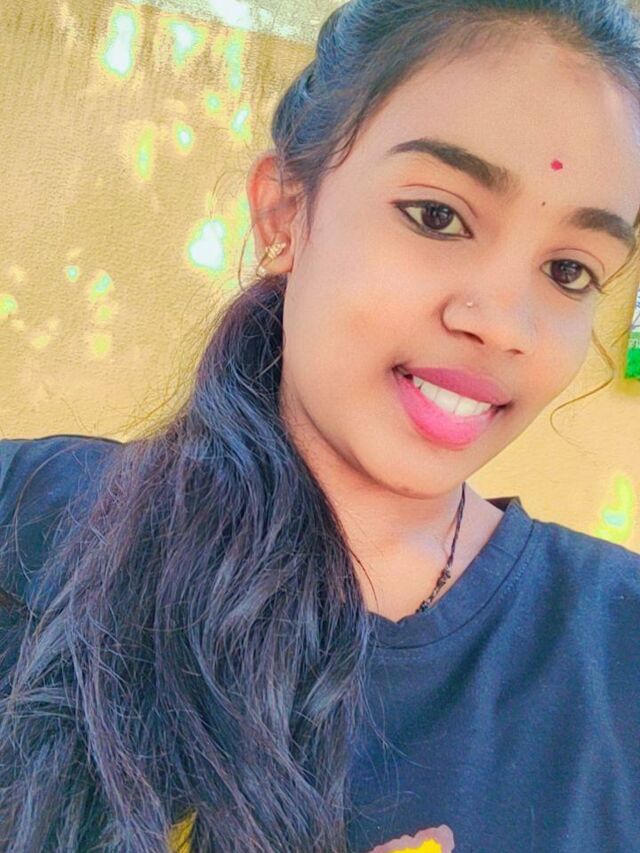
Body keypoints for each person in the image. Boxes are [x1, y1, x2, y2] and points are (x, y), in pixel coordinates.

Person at [1, 0, 640, 850]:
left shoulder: (619, 652)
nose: (504, 323)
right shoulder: (24, 518)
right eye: (437, 215)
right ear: (284, 216)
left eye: (568, 269)